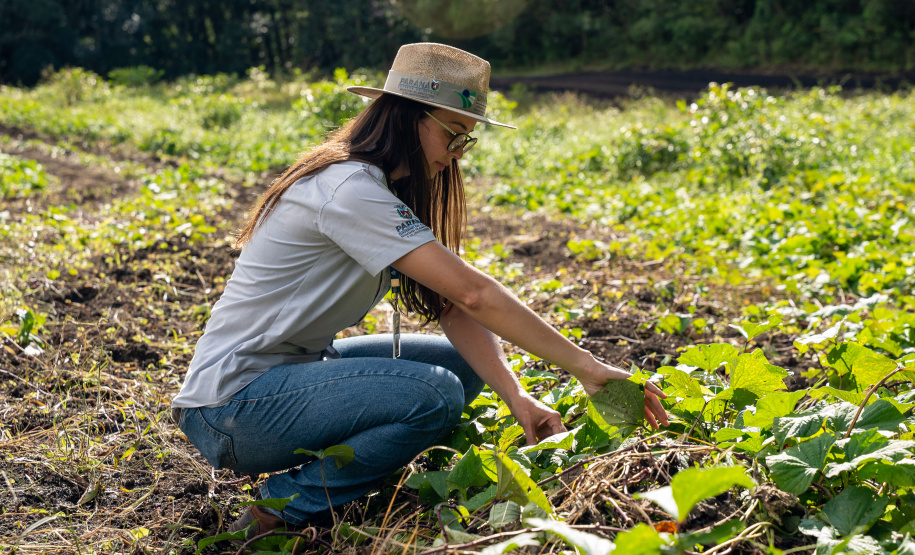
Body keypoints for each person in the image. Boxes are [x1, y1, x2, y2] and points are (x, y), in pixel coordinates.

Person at [171, 42, 669, 537]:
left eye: (467, 139)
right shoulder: (349, 189)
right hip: (231, 407)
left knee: (457, 365)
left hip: (287, 376)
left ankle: (348, 469)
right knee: (434, 393)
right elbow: (474, 294)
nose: (457, 154)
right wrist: (586, 367)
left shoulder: (379, 187)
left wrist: (517, 396)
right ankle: (283, 508)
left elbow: (451, 305)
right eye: (453, 133)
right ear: (407, 116)